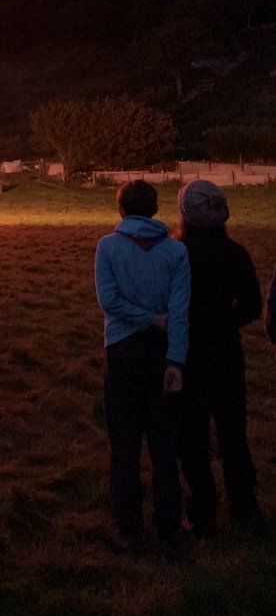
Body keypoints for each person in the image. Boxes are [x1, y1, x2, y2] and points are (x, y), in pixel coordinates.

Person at [95, 179, 190, 559]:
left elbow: (109, 300)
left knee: (124, 446)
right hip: (163, 352)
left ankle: (126, 529)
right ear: (153, 208)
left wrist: (143, 319)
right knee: (165, 447)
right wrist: (176, 361)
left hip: (121, 352)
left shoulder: (108, 247)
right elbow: (179, 312)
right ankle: (168, 532)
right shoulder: (176, 251)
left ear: (121, 209)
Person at [174, 180, 263, 535]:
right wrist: (225, 323)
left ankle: (202, 511)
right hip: (227, 354)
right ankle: (245, 509)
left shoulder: (178, 253)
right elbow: (253, 306)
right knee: (233, 436)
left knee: (192, 437)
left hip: (189, 356)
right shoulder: (236, 253)